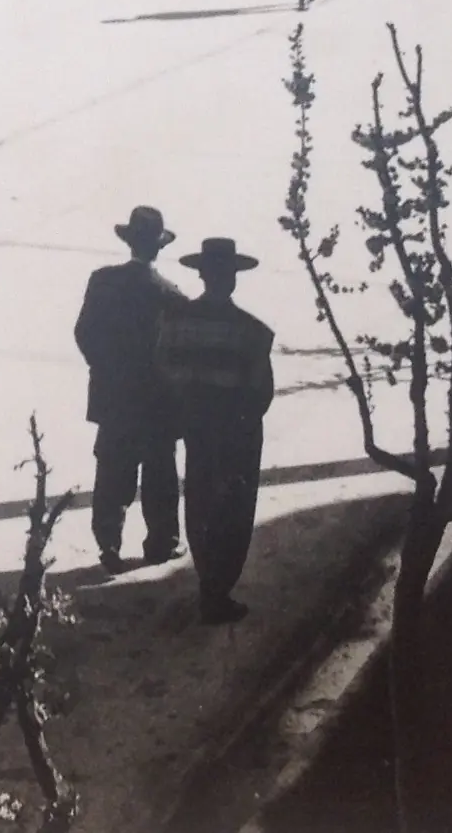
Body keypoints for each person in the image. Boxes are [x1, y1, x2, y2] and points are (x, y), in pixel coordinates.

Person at [158, 238, 274, 625]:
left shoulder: (175, 324)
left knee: (200, 501)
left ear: (203, 275)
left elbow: (164, 373)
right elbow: (261, 391)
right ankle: (218, 590)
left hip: (196, 427)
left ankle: (208, 578)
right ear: (233, 279)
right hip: (236, 432)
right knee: (234, 509)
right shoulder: (253, 332)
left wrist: (185, 412)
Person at [73, 207, 186, 575]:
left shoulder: (101, 282)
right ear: (158, 248)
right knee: (159, 474)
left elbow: (84, 333)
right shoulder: (171, 295)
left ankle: (108, 545)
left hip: (115, 398)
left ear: (128, 242)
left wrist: (105, 370)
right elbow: (179, 353)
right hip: (157, 402)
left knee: (112, 472)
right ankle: (162, 544)